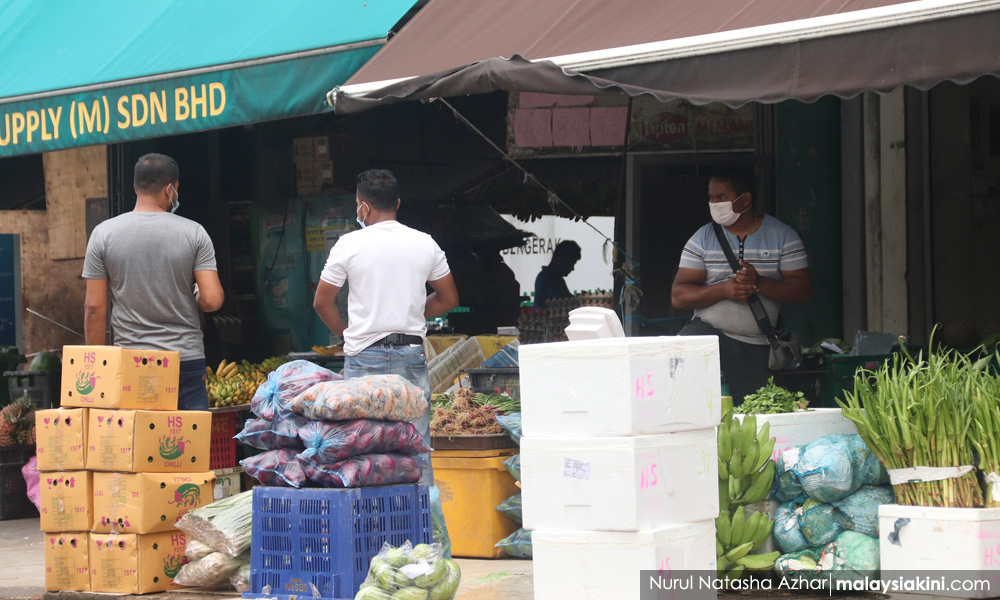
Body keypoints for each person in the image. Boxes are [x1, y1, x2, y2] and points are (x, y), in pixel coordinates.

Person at [313, 168, 459, 485]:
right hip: (409, 354)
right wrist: (413, 309)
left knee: (364, 452)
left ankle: (371, 531)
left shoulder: (348, 244)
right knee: (416, 450)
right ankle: (426, 532)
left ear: (363, 207)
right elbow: (448, 298)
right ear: (398, 203)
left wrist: (347, 334)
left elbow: (322, 302)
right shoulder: (425, 243)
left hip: (364, 356)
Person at [82, 153, 225, 410]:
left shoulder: (103, 234)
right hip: (185, 360)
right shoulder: (194, 233)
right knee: (186, 444)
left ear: (136, 187)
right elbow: (212, 300)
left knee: (136, 446)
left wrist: (96, 369)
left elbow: (95, 308)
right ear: (170, 189)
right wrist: (194, 295)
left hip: (131, 363)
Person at [671, 172, 812, 405]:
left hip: (757, 346)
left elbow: (803, 290)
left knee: (760, 412)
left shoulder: (782, 236)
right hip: (709, 337)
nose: (714, 203)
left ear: (745, 200)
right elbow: (678, 296)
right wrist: (724, 290)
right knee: (684, 392)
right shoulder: (702, 239)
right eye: (711, 197)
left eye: (721, 197)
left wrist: (759, 282)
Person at [533, 240, 581, 309]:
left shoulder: (545, 275)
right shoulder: (549, 278)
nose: (572, 268)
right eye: (571, 264)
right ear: (560, 259)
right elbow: (568, 301)